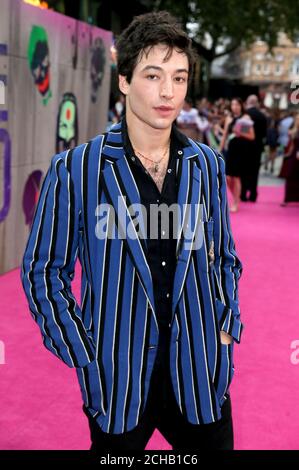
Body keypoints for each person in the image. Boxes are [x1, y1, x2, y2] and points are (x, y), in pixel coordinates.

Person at [21, 11, 243, 452]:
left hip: (199, 371)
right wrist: (84, 352)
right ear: (124, 81)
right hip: (117, 377)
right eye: (153, 75)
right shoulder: (76, 170)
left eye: (179, 79)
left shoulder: (207, 166)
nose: (168, 92)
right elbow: (43, 271)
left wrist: (225, 325)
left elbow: (226, 257)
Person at [219, 97, 255, 212]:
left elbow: (251, 136)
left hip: (241, 149)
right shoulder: (229, 118)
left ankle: (235, 203)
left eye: (237, 105)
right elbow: (225, 134)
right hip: (230, 149)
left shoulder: (245, 118)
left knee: (237, 177)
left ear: (241, 106)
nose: (235, 107)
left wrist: (240, 133)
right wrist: (219, 150)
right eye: (233, 105)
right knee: (228, 177)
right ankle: (236, 196)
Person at [243, 94, 267, 202]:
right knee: (255, 171)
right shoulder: (262, 116)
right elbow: (264, 134)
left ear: (248, 102)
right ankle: (253, 194)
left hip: (245, 146)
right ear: (256, 103)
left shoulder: (245, 115)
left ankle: (243, 193)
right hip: (257, 147)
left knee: (243, 170)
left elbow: (243, 132)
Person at [281, 113, 299, 206]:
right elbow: (292, 144)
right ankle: (287, 199)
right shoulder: (294, 131)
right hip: (294, 155)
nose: (297, 120)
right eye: (296, 119)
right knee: (290, 176)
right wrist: (288, 153)